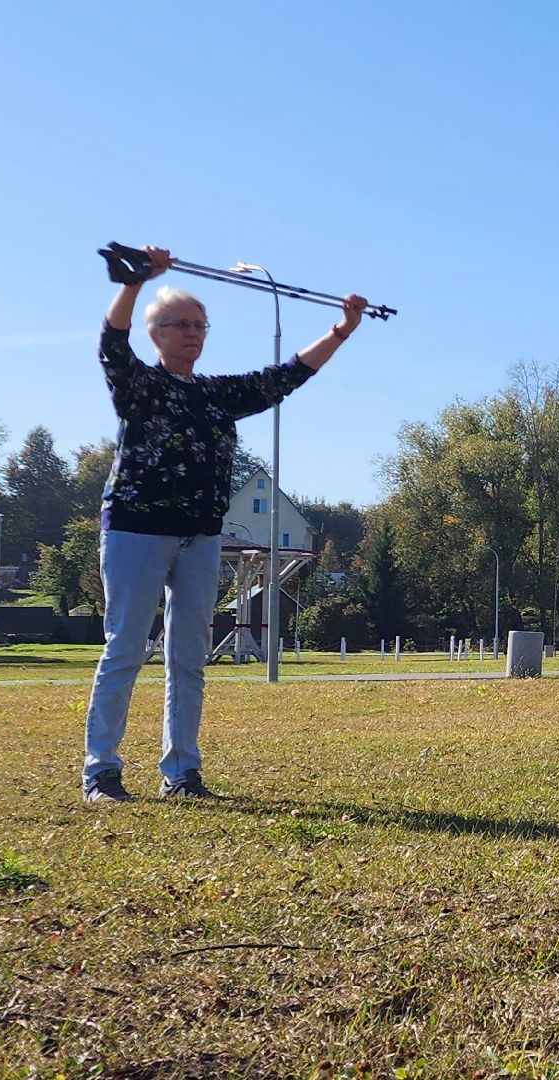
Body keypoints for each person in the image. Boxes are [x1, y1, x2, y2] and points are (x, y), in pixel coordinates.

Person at [82, 247, 368, 803]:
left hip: (201, 538)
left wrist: (343, 329)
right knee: (125, 648)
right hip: (136, 531)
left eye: (200, 325)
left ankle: (182, 773)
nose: (193, 333)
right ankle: (101, 772)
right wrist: (136, 282)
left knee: (188, 657)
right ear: (156, 334)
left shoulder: (215, 396)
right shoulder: (138, 385)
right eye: (181, 325)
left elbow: (284, 377)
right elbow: (110, 344)